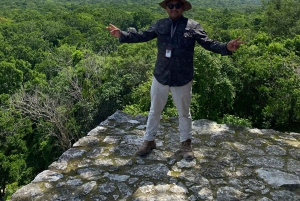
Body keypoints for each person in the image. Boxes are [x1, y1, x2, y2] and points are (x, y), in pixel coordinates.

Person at [106, 0, 244, 161]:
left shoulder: (192, 26)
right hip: (161, 75)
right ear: (166, 8)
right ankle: (149, 140)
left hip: (182, 78)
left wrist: (226, 47)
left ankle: (186, 143)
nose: (174, 8)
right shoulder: (160, 25)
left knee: (184, 114)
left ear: (182, 8)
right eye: (170, 5)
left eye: (177, 5)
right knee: (154, 111)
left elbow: (208, 43)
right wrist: (122, 34)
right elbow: (143, 35)